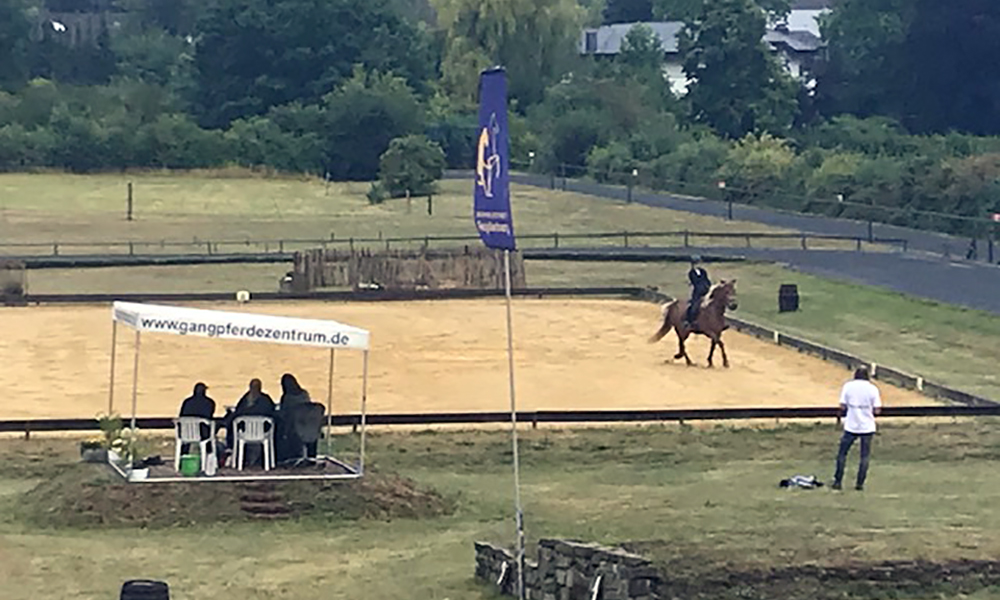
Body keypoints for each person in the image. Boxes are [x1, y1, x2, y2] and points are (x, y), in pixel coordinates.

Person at [832, 367, 882, 491]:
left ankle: (838, 481)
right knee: (864, 456)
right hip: (867, 426)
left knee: (842, 454)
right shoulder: (873, 389)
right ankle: (860, 483)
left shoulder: (848, 387)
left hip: (851, 425)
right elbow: (877, 410)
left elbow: (842, 406)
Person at [224, 378, 276, 468]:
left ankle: (231, 449)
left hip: (245, 433)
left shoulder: (245, 400)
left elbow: (237, 413)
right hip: (263, 434)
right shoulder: (266, 400)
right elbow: (272, 413)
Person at [278, 373, 315, 460]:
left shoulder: (287, 398)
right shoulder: (304, 394)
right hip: (309, 426)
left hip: (293, 428)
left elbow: (283, 414)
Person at [178, 382, 217, 456]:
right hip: (203, 434)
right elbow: (210, 416)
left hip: (185, 433)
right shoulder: (209, 403)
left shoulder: (187, 402)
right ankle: (208, 454)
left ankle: (183, 455)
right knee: (210, 432)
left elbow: (181, 416)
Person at [685, 255, 712, 328]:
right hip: (698, 292)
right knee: (694, 306)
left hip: (706, 290)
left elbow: (707, 280)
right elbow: (695, 282)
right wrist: (701, 287)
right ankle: (689, 321)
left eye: (699, 262)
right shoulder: (691, 273)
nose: (698, 264)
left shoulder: (703, 271)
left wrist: (708, 285)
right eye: (696, 263)